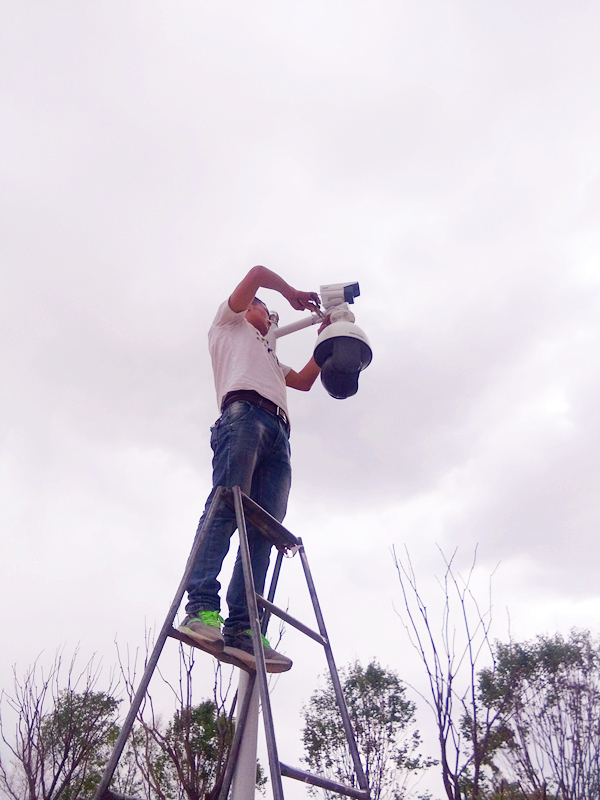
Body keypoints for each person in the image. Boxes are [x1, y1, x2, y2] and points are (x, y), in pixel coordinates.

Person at [178, 265, 326, 673]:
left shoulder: (270, 358)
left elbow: (305, 382)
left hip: (279, 429)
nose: (273, 320)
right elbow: (259, 272)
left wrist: (325, 341)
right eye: (269, 312)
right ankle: (201, 609)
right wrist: (292, 293)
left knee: (265, 530)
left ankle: (244, 627)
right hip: (243, 414)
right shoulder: (228, 323)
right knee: (227, 505)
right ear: (250, 309)